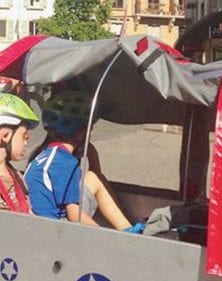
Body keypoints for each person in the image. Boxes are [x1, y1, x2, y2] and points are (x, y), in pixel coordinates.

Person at [24, 91, 140, 231]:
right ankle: (128, 232)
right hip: (54, 227)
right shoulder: (65, 162)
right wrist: (106, 236)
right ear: (81, 133)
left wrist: (92, 155)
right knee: (93, 178)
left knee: (93, 178)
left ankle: (127, 230)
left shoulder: (44, 154)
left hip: (38, 220)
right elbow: (74, 214)